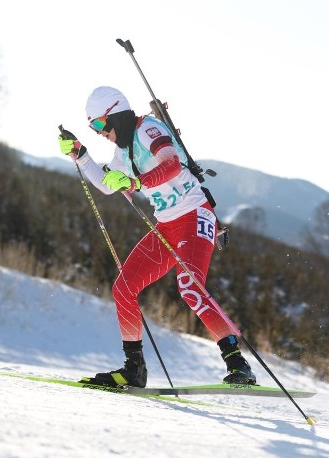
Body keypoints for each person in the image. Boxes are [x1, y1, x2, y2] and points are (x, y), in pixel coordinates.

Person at [58, 86, 256, 387]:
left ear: (115, 115)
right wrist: (81, 155)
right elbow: (107, 185)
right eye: (92, 127)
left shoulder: (148, 129)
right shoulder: (122, 151)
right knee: (123, 288)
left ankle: (238, 363)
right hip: (166, 225)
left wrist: (135, 182)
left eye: (99, 124)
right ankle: (133, 369)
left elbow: (171, 164)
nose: (98, 132)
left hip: (195, 215)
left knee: (189, 286)